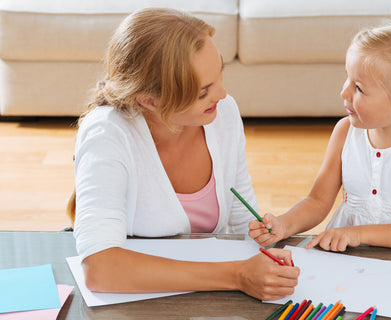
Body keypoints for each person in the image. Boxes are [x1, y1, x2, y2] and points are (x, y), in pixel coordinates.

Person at [66, 8, 299, 301]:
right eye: (203, 91)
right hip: (140, 303)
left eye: (220, 74)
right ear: (149, 100)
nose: (223, 94)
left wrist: (264, 244)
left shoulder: (222, 113)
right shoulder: (108, 134)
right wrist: (237, 275)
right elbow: (99, 269)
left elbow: (240, 216)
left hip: (211, 296)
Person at [249, 22, 391, 252]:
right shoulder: (345, 132)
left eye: (359, 88)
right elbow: (318, 201)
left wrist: (358, 233)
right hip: (356, 259)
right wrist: (284, 224)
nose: (344, 92)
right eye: (347, 78)